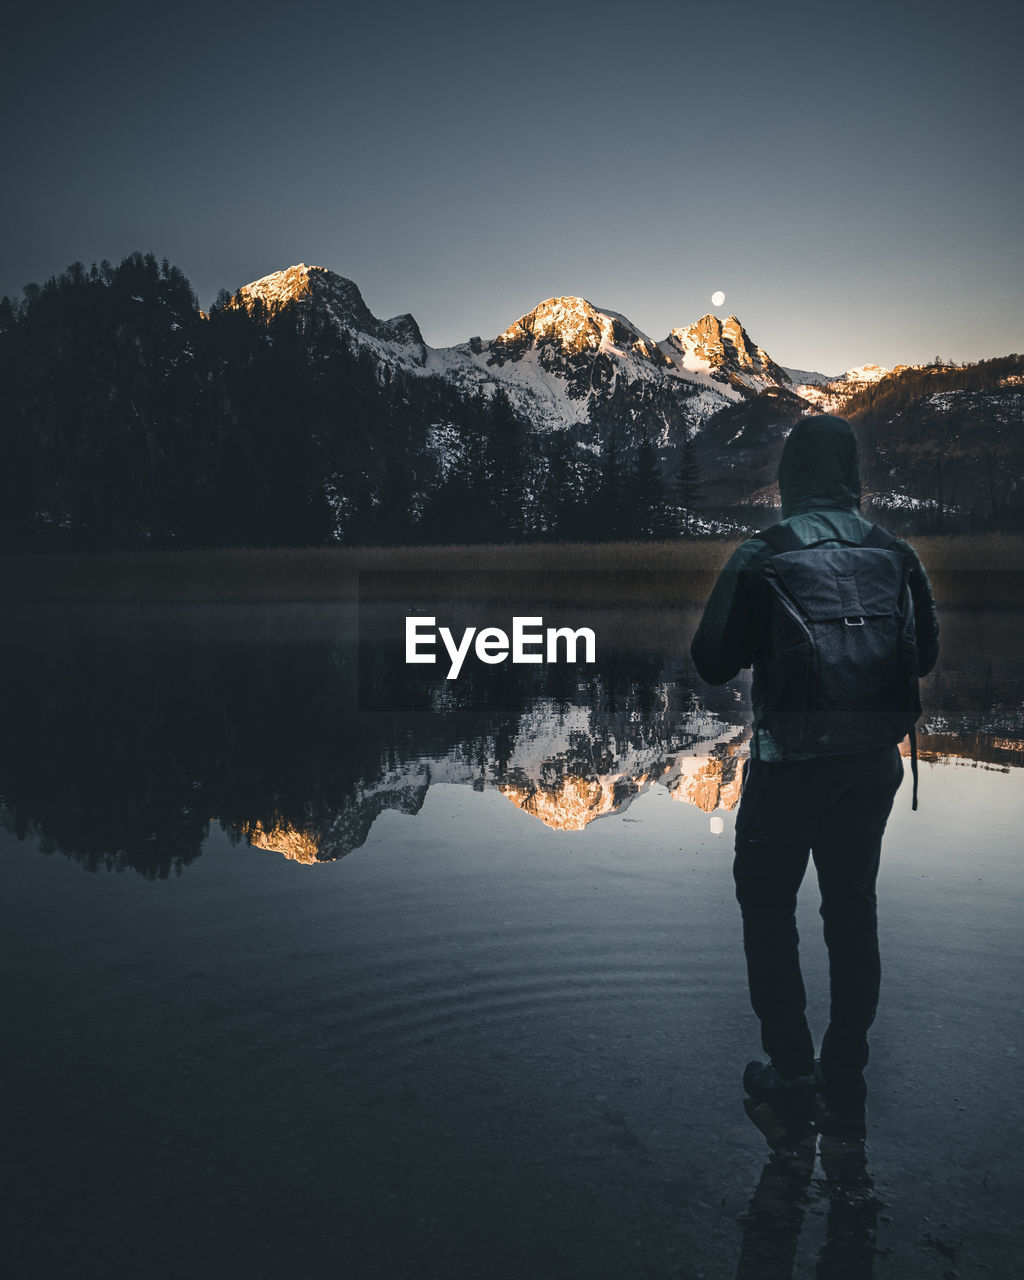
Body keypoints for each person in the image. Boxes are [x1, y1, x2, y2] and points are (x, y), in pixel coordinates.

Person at [690, 413, 939, 1118]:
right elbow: (922, 659)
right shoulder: (898, 554)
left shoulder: (761, 554)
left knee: (768, 909)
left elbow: (710, 663)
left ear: (790, 478)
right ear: (852, 477)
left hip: (789, 766)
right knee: (853, 910)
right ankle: (846, 1068)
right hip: (871, 766)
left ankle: (792, 1069)